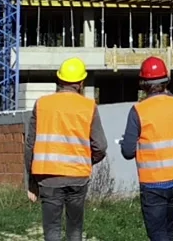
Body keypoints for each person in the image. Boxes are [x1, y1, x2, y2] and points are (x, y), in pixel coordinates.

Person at [24, 57, 108, 241]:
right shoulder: (89, 106)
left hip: (48, 177)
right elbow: (101, 146)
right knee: (75, 229)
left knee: (52, 229)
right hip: (78, 177)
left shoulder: (42, 104)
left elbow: (30, 144)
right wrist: (86, 160)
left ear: (59, 80)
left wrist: (31, 181)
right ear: (81, 83)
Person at [120, 56, 173, 241]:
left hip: (153, 184)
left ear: (142, 84)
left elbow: (128, 152)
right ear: (166, 81)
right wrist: (167, 94)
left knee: (158, 236)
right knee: (170, 234)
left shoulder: (138, 111)